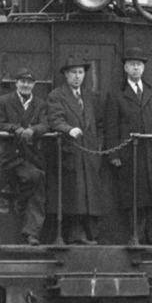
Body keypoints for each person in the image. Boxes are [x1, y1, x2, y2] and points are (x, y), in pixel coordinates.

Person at [105, 54, 152, 243]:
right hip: (129, 153)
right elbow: (111, 126)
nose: (136, 68)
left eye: (139, 65)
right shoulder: (116, 94)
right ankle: (135, 236)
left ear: (143, 68)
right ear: (125, 68)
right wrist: (113, 154)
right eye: (132, 64)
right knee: (133, 195)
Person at [43, 57, 106, 245]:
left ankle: (92, 234)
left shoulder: (89, 96)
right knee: (74, 195)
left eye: (80, 72)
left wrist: (99, 145)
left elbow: (99, 124)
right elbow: (55, 120)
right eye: (73, 73)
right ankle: (75, 236)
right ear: (65, 75)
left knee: (90, 194)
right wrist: (69, 129)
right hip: (69, 151)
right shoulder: (57, 95)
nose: (77, 76)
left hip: (90, 152)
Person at [0, 71, 48, 243]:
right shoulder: (4, 101)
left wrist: (33, 130)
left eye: (29, 82)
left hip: (32, 156)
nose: (26, 85)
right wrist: (16, 129)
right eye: (22, 82)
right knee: (35, 177)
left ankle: (32, 233)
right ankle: (19, 205)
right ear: (16, 83)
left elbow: (46, 124)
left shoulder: (40, 104)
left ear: (34, 85)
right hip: (10, 156)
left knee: (37, 186)